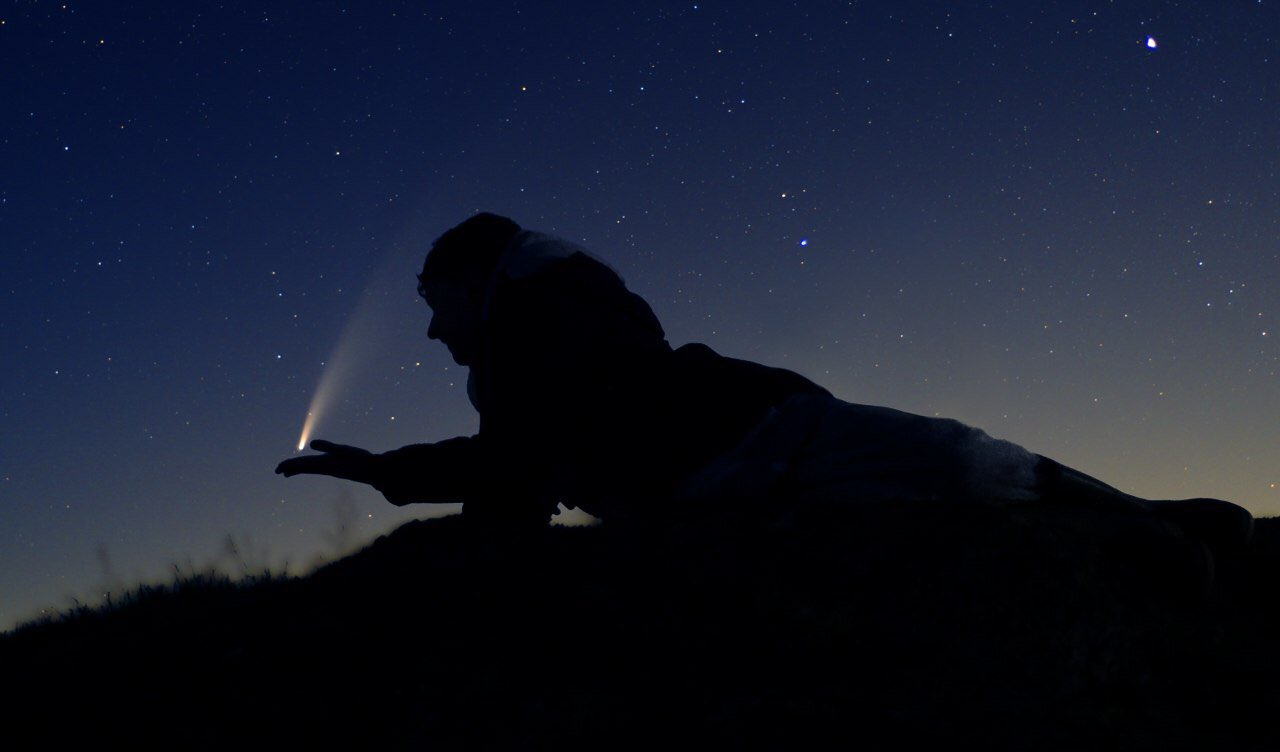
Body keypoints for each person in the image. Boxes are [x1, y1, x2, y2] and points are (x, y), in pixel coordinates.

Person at [276, 213, 1253, 556]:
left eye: (437, 298)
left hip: (764, 435)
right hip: (751, 462)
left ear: (478, 282)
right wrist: (402, 480)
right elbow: (524, 476)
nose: (431, 323)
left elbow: (524, 460)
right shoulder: (526, 352)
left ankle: (1147, 521)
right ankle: (1140, 522)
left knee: (960, 464)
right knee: (948, 481)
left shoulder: (539, 331)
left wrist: (393, 474)